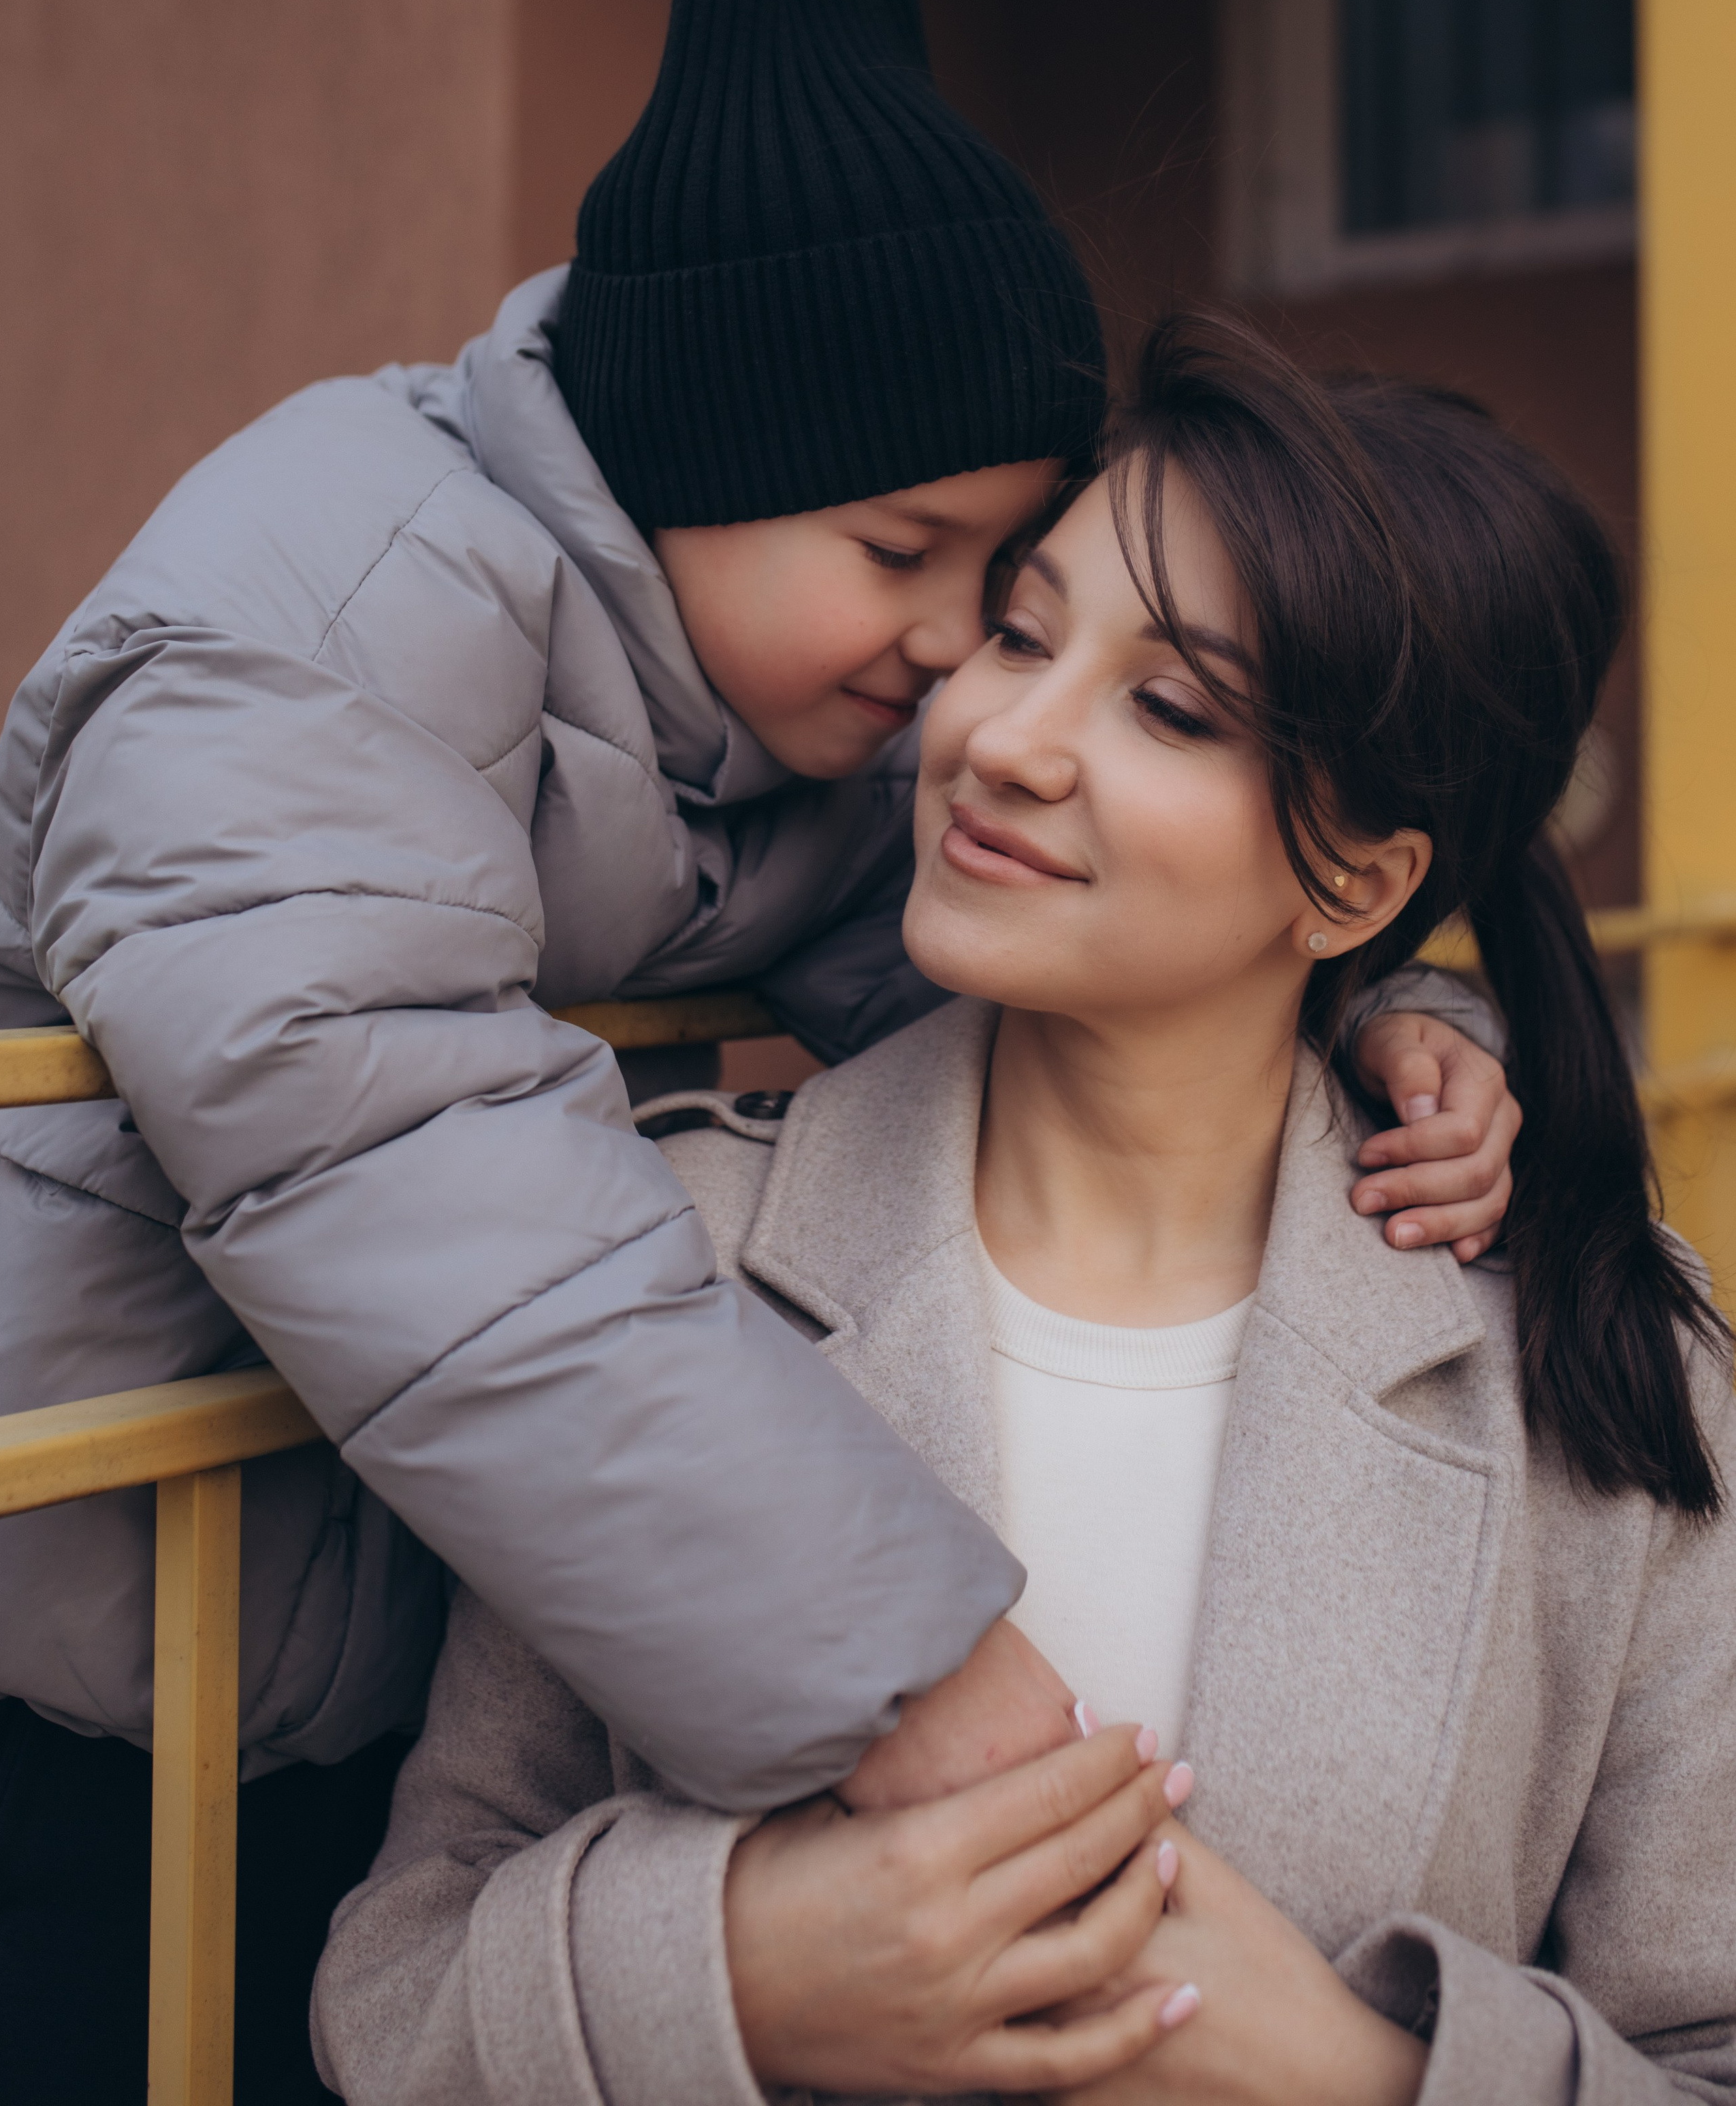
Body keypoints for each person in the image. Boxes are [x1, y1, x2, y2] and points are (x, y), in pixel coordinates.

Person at [0, 0, 1509, 2103]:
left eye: (1007, 564)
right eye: (908, 551)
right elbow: (408, 1175)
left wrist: (1394, 1022)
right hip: (88, 1645)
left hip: (389, 1620)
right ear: (681, 459)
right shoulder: (306, 626)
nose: (960, 653)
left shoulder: (770, 706)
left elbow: (1045, 1007)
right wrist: (912, 1687)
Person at [311, 321, 1735, 2106]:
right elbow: (397, 1980)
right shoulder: (668, 1255)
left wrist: (1365, 2080)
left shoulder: (1599, 1364)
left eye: (1171, 706)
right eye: (1023, 630)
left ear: (1357, 877)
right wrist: (734, 1972)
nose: (1002, 739)